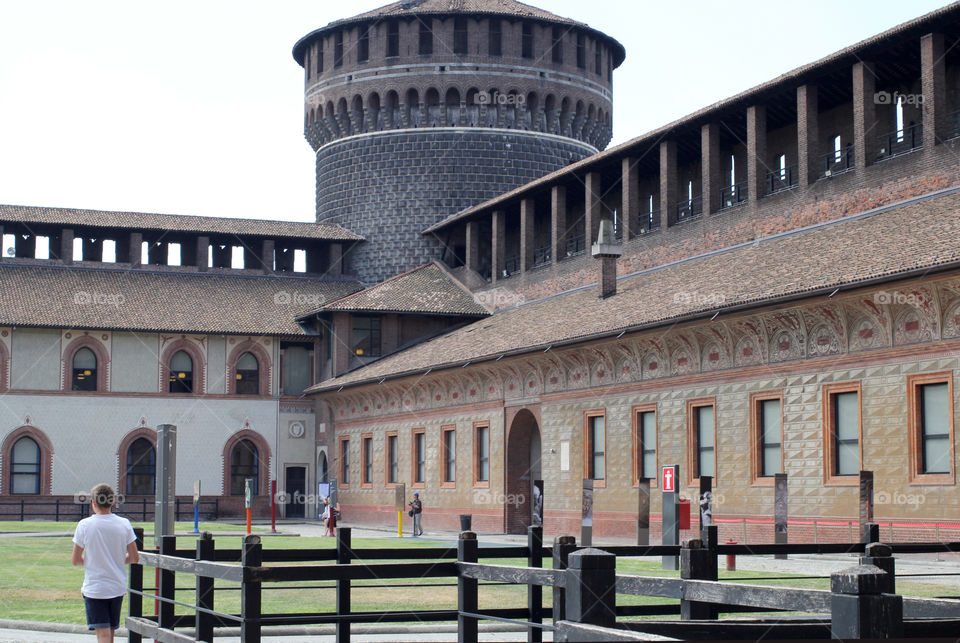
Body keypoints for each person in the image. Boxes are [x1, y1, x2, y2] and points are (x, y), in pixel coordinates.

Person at [71, 484, 139, 643]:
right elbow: (135, 557)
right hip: (116, 586)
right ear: (113, 501)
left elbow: (75, 560)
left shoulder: (84, 525)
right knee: (110, 632)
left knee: (103, 634)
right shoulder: (124, 524)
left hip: (95, 588)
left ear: (93, 503)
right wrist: (115, 560)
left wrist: (94, 561)